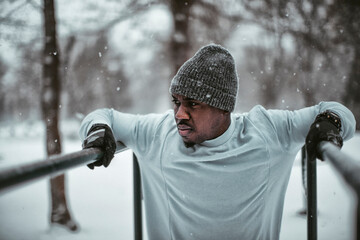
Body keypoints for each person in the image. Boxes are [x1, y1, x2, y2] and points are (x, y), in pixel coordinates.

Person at [79, 44, 356, 240]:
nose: (179, 114)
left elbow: (339, 112)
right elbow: (106, 116)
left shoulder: (268, 131)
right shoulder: (158, 133)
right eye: (176, 102)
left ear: (224, 108)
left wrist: (330, 121)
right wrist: (97, 128)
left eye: (192, 104)